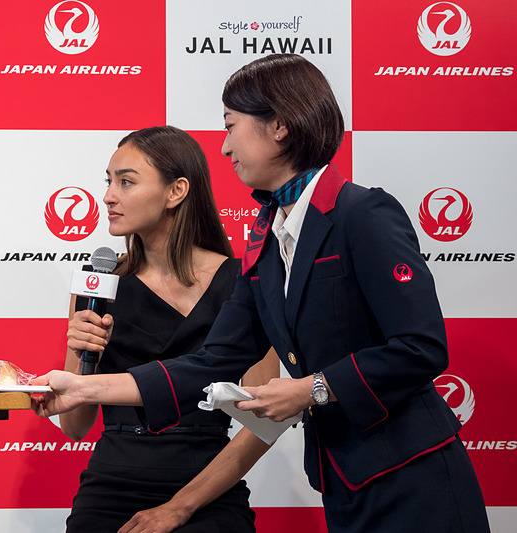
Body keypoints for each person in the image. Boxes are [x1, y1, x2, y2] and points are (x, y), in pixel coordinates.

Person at [33, 54, 490, 533]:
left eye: (232, 126)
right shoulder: (267, 240)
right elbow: (213, 362)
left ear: (280, 127)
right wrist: (82, 386)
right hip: (342, 479)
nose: (225, 147)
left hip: (413, 477)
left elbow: (422, 347)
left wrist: (313, 388)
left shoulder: (363, 212)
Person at [59, 125, 279, 533]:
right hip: (110, 486)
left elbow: (263, 420)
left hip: (207, 489)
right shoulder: (99, 285)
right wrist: (81, 355)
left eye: (126, 182)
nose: (108, 196)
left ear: (176, 191)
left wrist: (181, 506)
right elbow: (73, 427)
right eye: (108, 181)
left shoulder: (242, 282)